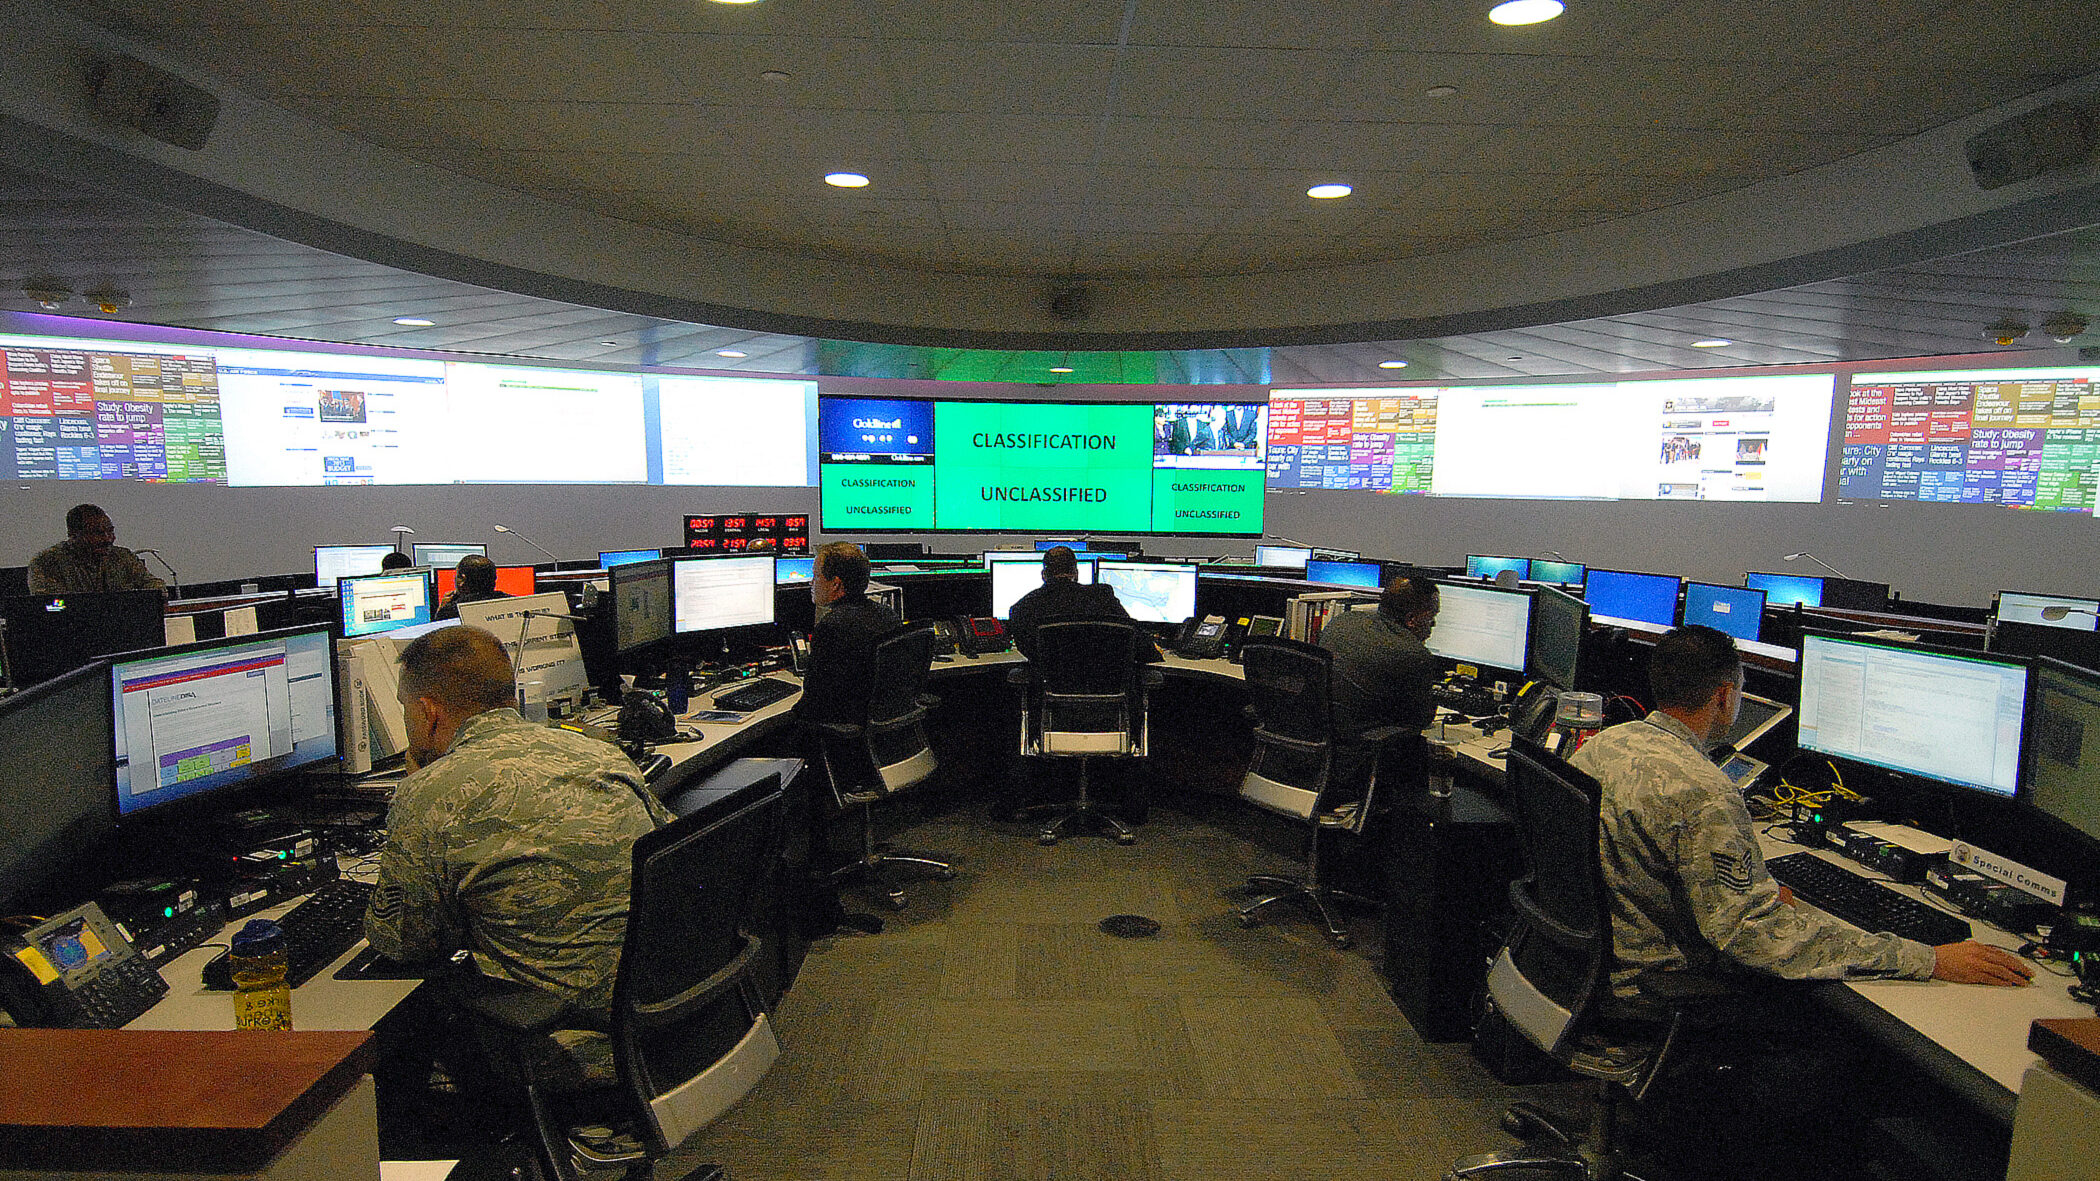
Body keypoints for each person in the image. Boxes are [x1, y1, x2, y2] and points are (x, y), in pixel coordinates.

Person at [1567, 623, 2032, 1005]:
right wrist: (1928, 959)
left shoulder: (1604, 745)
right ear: (1725, 697)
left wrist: (1753, 897)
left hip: (1594, 965)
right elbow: (1757, 940)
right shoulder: (1705, 793)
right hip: (1661, 986)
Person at [364, 626, 671, 1084]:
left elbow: (403, 942)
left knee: (394, 1024)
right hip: (663, 1013)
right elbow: (669, 847)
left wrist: (420, 795)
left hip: (562, 1040)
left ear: (427, 713)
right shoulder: (600, 755)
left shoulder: (430, 794)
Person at [1317, 575, 1441, 789]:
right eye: (1431, 617)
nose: (1434, 624)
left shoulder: (1342, 622)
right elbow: (1418, 721)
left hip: (1315, 754)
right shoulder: (1414, 655)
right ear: (1411, 619)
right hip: (1355, 767)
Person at [793, 541, 902, 726]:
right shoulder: (888, 615)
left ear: (835, 584)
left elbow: (813, 702)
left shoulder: (831, 627)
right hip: (885, 727)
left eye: (816, 576)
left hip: (846, 731)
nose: (811, 582)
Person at [1006, 546, 1161, 663]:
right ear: (1076, 573)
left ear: (1044, 575)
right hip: (1105, 693)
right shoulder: (1102, 597)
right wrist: (1153, 649)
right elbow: (1138, 643)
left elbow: (1030, 654)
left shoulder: (1022, 608)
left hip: (1049, 696)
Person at [26, 504, 165, 594]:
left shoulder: (122, 556)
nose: (107, 539)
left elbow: (155, 585)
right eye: (97, 533)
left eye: (110, 532)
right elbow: (51, 605)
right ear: (73, 535)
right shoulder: (47, 562)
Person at [433, 554, 511, 620]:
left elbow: (436, 634)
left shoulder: (451, 612)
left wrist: (441, 610)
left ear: (462, 580)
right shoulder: (513, 602)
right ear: (494, 579)